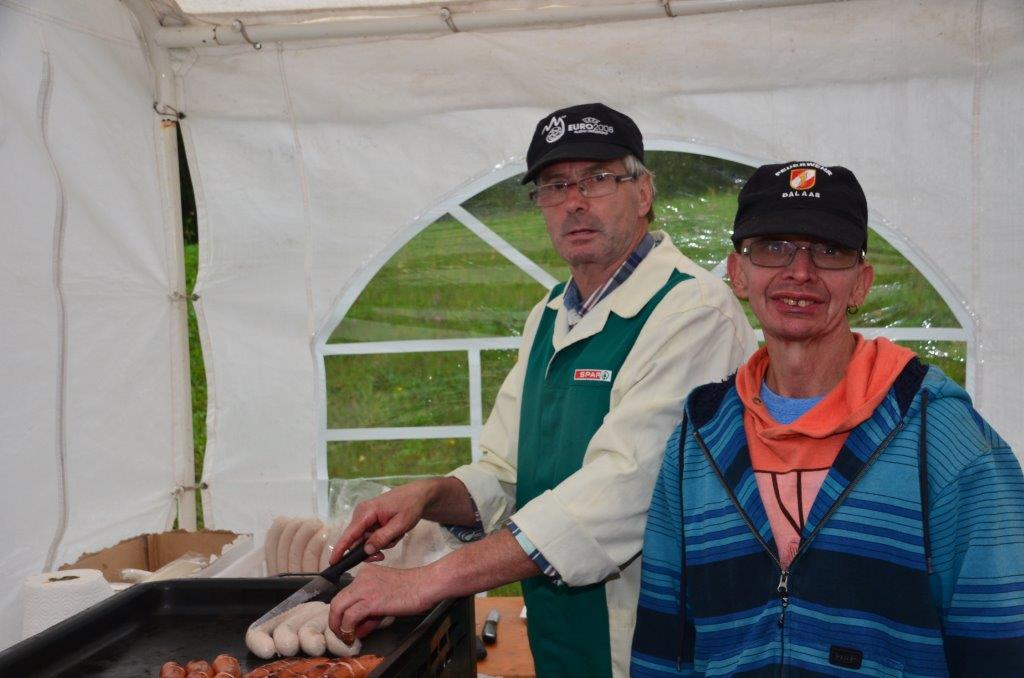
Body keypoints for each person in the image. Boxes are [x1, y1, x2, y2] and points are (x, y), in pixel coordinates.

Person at [327, 103, 757, 677]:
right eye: (555, 186)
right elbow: (508, 472)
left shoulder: (693, 311)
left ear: (644, 192)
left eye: (597, 179)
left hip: (657, 648)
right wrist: (429, 495)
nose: (574, 201)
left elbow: (620, 495)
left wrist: (428, 581)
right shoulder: (551, 315)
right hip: (563, 646)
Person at [631, 161, 1024, 676]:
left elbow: (1003, 641)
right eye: (773, 247)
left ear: (861, 283)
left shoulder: (943, 437)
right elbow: (665, 642)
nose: (800, 271)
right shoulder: (700, 437)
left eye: (829, 251)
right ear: (738, 274)